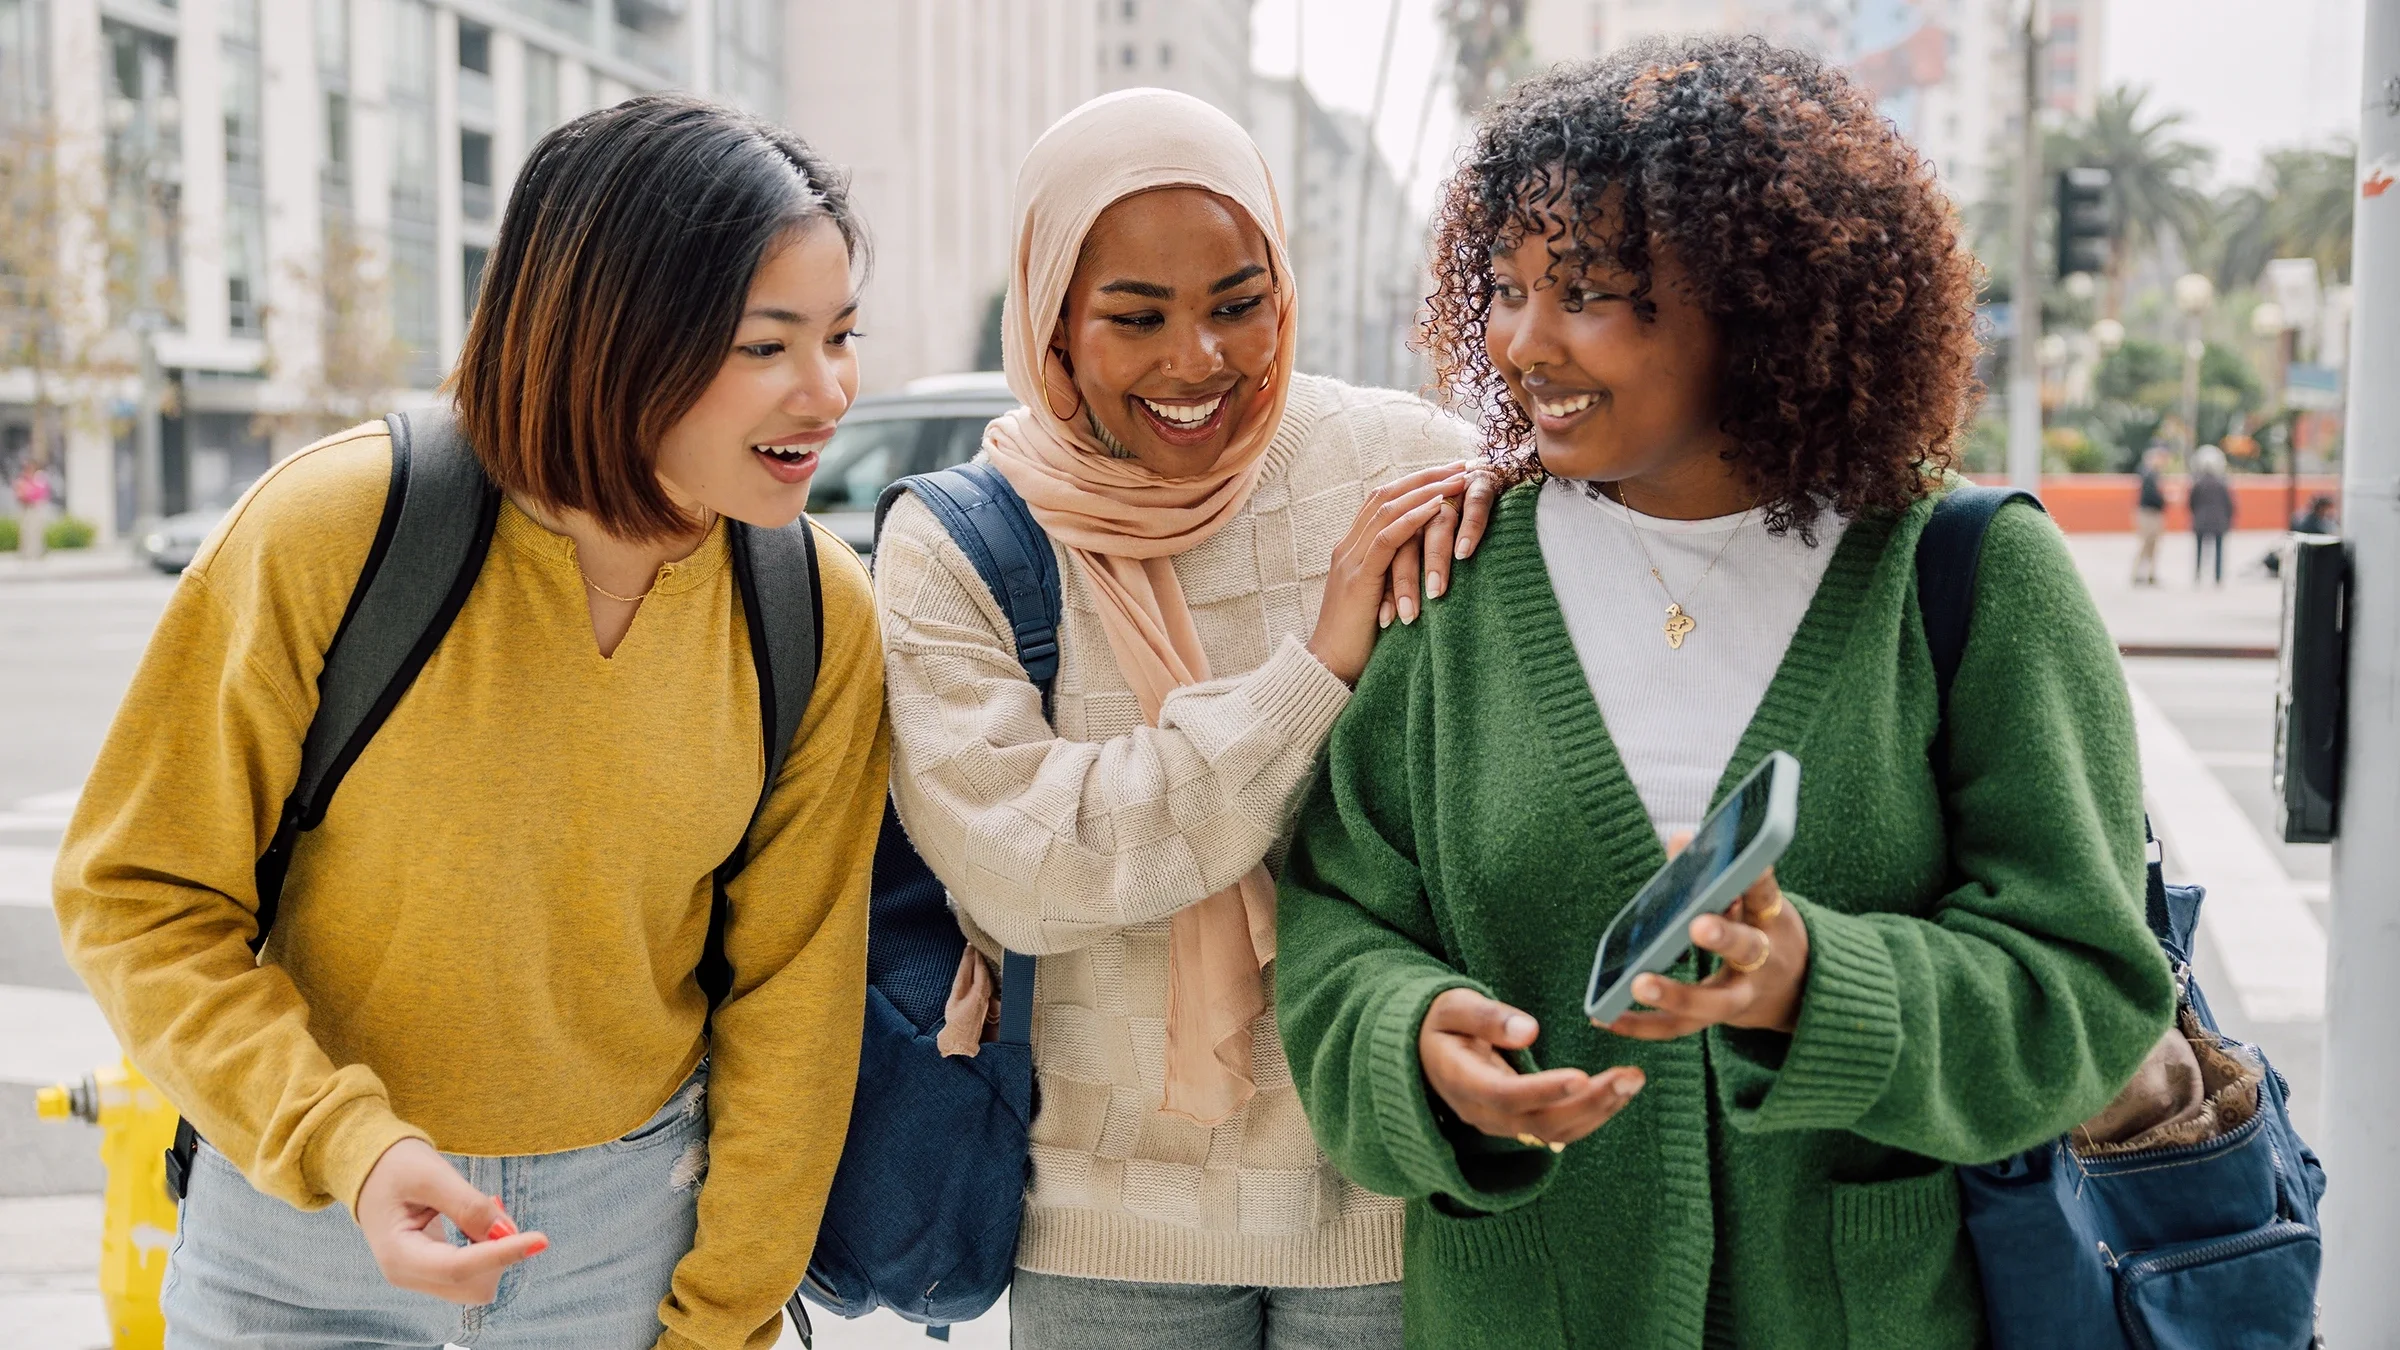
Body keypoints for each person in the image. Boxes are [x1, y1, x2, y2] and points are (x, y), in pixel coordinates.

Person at [1274, 39, 2177, 1349]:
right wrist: (1412, 1046)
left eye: (1589, 290)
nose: (1523, 340)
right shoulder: (1456, 578)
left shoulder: (1967, 578)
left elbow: (2087, 986)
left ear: (1766, 300)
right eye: (1509, 286)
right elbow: (1335, 925)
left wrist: (1821, 985)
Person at [55, 95, 888, 1350]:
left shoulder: (816, 610)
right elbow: (138, 896)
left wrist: (724, 1317)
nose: (827, 392)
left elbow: (794, 1002)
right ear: (613, 336)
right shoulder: (332, 533)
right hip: (302, 1246)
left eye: (840, 335)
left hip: (631, 1250)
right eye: (765, 346)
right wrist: (344, 1142)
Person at [875, 89, 1499, 1349]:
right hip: (1109, 1226)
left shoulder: (1411, 468)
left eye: (1237, 303)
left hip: (1390, 1200)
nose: (1198, 361)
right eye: (1136, 318)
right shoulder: (957, 543)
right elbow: (1030, 872)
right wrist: (1316, 667)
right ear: (1051, 312)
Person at [2188, 444, 2234, 585]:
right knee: (2219, 551)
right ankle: (2218, 577)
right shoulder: (2222, 483)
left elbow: (2191, 502)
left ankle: (2198, 575)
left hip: (2200, 520)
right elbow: (2229, 504)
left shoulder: (2198, 483)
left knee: (2199, 551)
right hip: (2219, 521)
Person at [2132, 445, 2169, 585]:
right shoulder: (2148, 474)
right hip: (2148, 513)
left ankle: (2150, 574)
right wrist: (2165, 500)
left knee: (2153, 545)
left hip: (2154, 513)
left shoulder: (2154, 474)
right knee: (2145, 544)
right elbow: (2151, 496)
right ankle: (2138, 573)